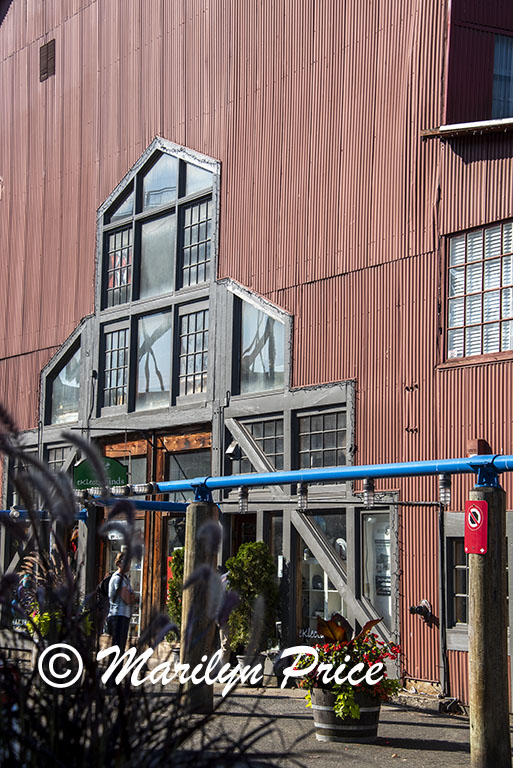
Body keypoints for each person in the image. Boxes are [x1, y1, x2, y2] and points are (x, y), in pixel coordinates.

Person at [107, 552, 136, 652]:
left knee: (121, 647)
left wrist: (131, 596)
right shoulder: (117, 578)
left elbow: (133, 597)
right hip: (117, 616)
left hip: (124, 615)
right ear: (119, 563)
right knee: (117, 647)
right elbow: (127, 598)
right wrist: (131, 596)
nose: (128, 564)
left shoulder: (125, 579)